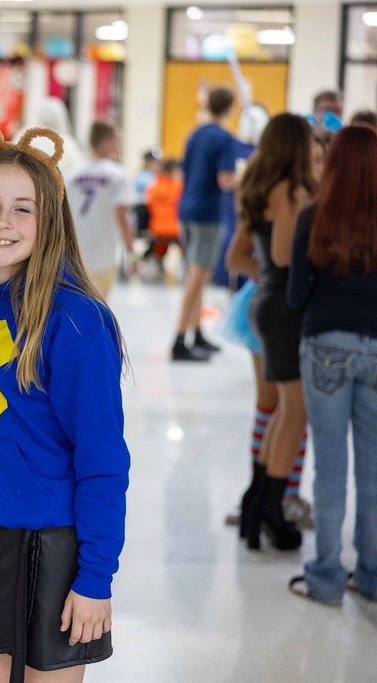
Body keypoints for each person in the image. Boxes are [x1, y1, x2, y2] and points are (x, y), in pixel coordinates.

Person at [0, 122, 130, 683]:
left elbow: (103, 462)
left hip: (50, 544)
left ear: (51, 221)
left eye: (23, 209)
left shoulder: (76, 320)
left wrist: (95, 578)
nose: (2, 223)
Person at [287, 125, 377, 604]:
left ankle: (325, 577)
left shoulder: (313, 216)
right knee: (373, 469)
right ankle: (372, 574)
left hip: (325, 344)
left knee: (330, 468)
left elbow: (297, 294)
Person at [229, 113, 316, 551]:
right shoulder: (290, 191)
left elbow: (245, 257)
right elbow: (285, 256)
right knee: (295, 411)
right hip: (285, 307)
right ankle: (270, 507)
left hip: (266, 302)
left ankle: (258, 499)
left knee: (283, 409)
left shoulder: (259, 187)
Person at [172, 85, 237, 361]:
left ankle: (197, 333)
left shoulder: (194, 134)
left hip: (186, 208)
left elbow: (183, 173)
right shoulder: (224, 138)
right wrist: (249, 176)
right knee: (197, 278)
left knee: (195, 276)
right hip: (207, 214)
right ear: (230, 108)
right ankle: (179, 340)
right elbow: (226, 180)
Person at [65, 121, 135, 297]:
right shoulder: (117, 174)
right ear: (105, 142)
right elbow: (122, 216)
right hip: (104, 254)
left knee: (78, 304)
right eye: (116, 141)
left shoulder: (73, 174)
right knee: (99, 306)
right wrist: (131, 252)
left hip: (75, 254)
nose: (118, 146)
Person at [145, 157, 183, 268]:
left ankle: (157, 261)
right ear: (173, 171)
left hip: (156, 229)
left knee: (160, 243)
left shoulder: (152, 188)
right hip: (176, 229)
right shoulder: (179, 188)